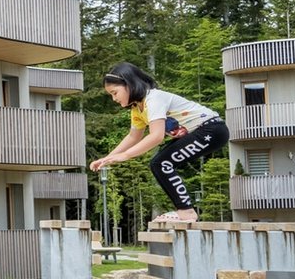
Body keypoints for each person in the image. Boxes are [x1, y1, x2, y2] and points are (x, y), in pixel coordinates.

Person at [87, 62, 228, 223]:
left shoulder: (153, 99)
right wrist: (107, 158)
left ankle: (186, 212)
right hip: (203, 131)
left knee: (161, 163)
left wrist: (125, 155)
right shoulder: (137, 109)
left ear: (129, 84)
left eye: (115, 93)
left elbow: (156, 136)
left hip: (211, 129)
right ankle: (185, 210)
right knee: (160, 163)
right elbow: (133, 137)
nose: (114, 99)